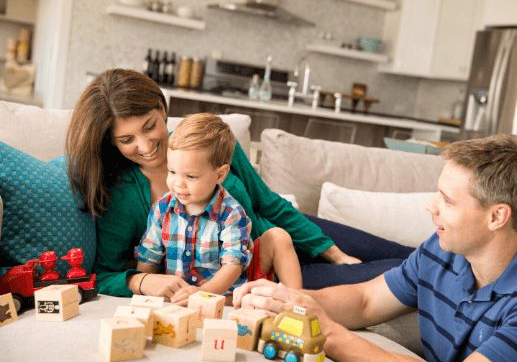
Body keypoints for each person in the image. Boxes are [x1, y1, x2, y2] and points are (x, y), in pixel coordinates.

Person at [233, 134, 517, 362]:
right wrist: (287, 301)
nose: (431, 207)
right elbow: (364, 301)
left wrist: (325, 333)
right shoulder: (446, 251)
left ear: (497, 217)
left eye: (447, 200)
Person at [65, 69, 414, 300]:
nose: (145, 145)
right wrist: (141, 282)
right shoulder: (123, 193)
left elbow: (267, 204)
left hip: (286, 233)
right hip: (261, 274)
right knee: (408, 275)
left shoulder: (207, 142)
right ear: (112, 142)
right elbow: (106, 272)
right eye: (127, 139)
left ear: (162, 107)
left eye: (149, 125)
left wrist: (334, 253)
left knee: (411, 255)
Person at [134, 113, 302, 304]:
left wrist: (201, 294)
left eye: (191, 176)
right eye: (172, 172)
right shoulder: (162, 209)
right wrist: (143, 291)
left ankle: (296, 304)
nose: (178, 184)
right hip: (180, 296)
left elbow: (234, 266)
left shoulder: (231, 212)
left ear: (220, 174)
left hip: (228, 293)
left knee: (279, 236)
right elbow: (148, 260)